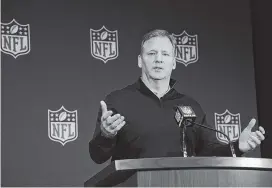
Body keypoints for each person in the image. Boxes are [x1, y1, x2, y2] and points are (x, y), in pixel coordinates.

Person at [89, 29, 265, 164]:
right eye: (151, 54)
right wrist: (106, 135)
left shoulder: (190, 105)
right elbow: (97, 156)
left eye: (165, 54)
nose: (158, 59)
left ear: (173, 62)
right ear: (140, 61)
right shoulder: (118, 101)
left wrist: (237, 147)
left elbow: (209, 151)